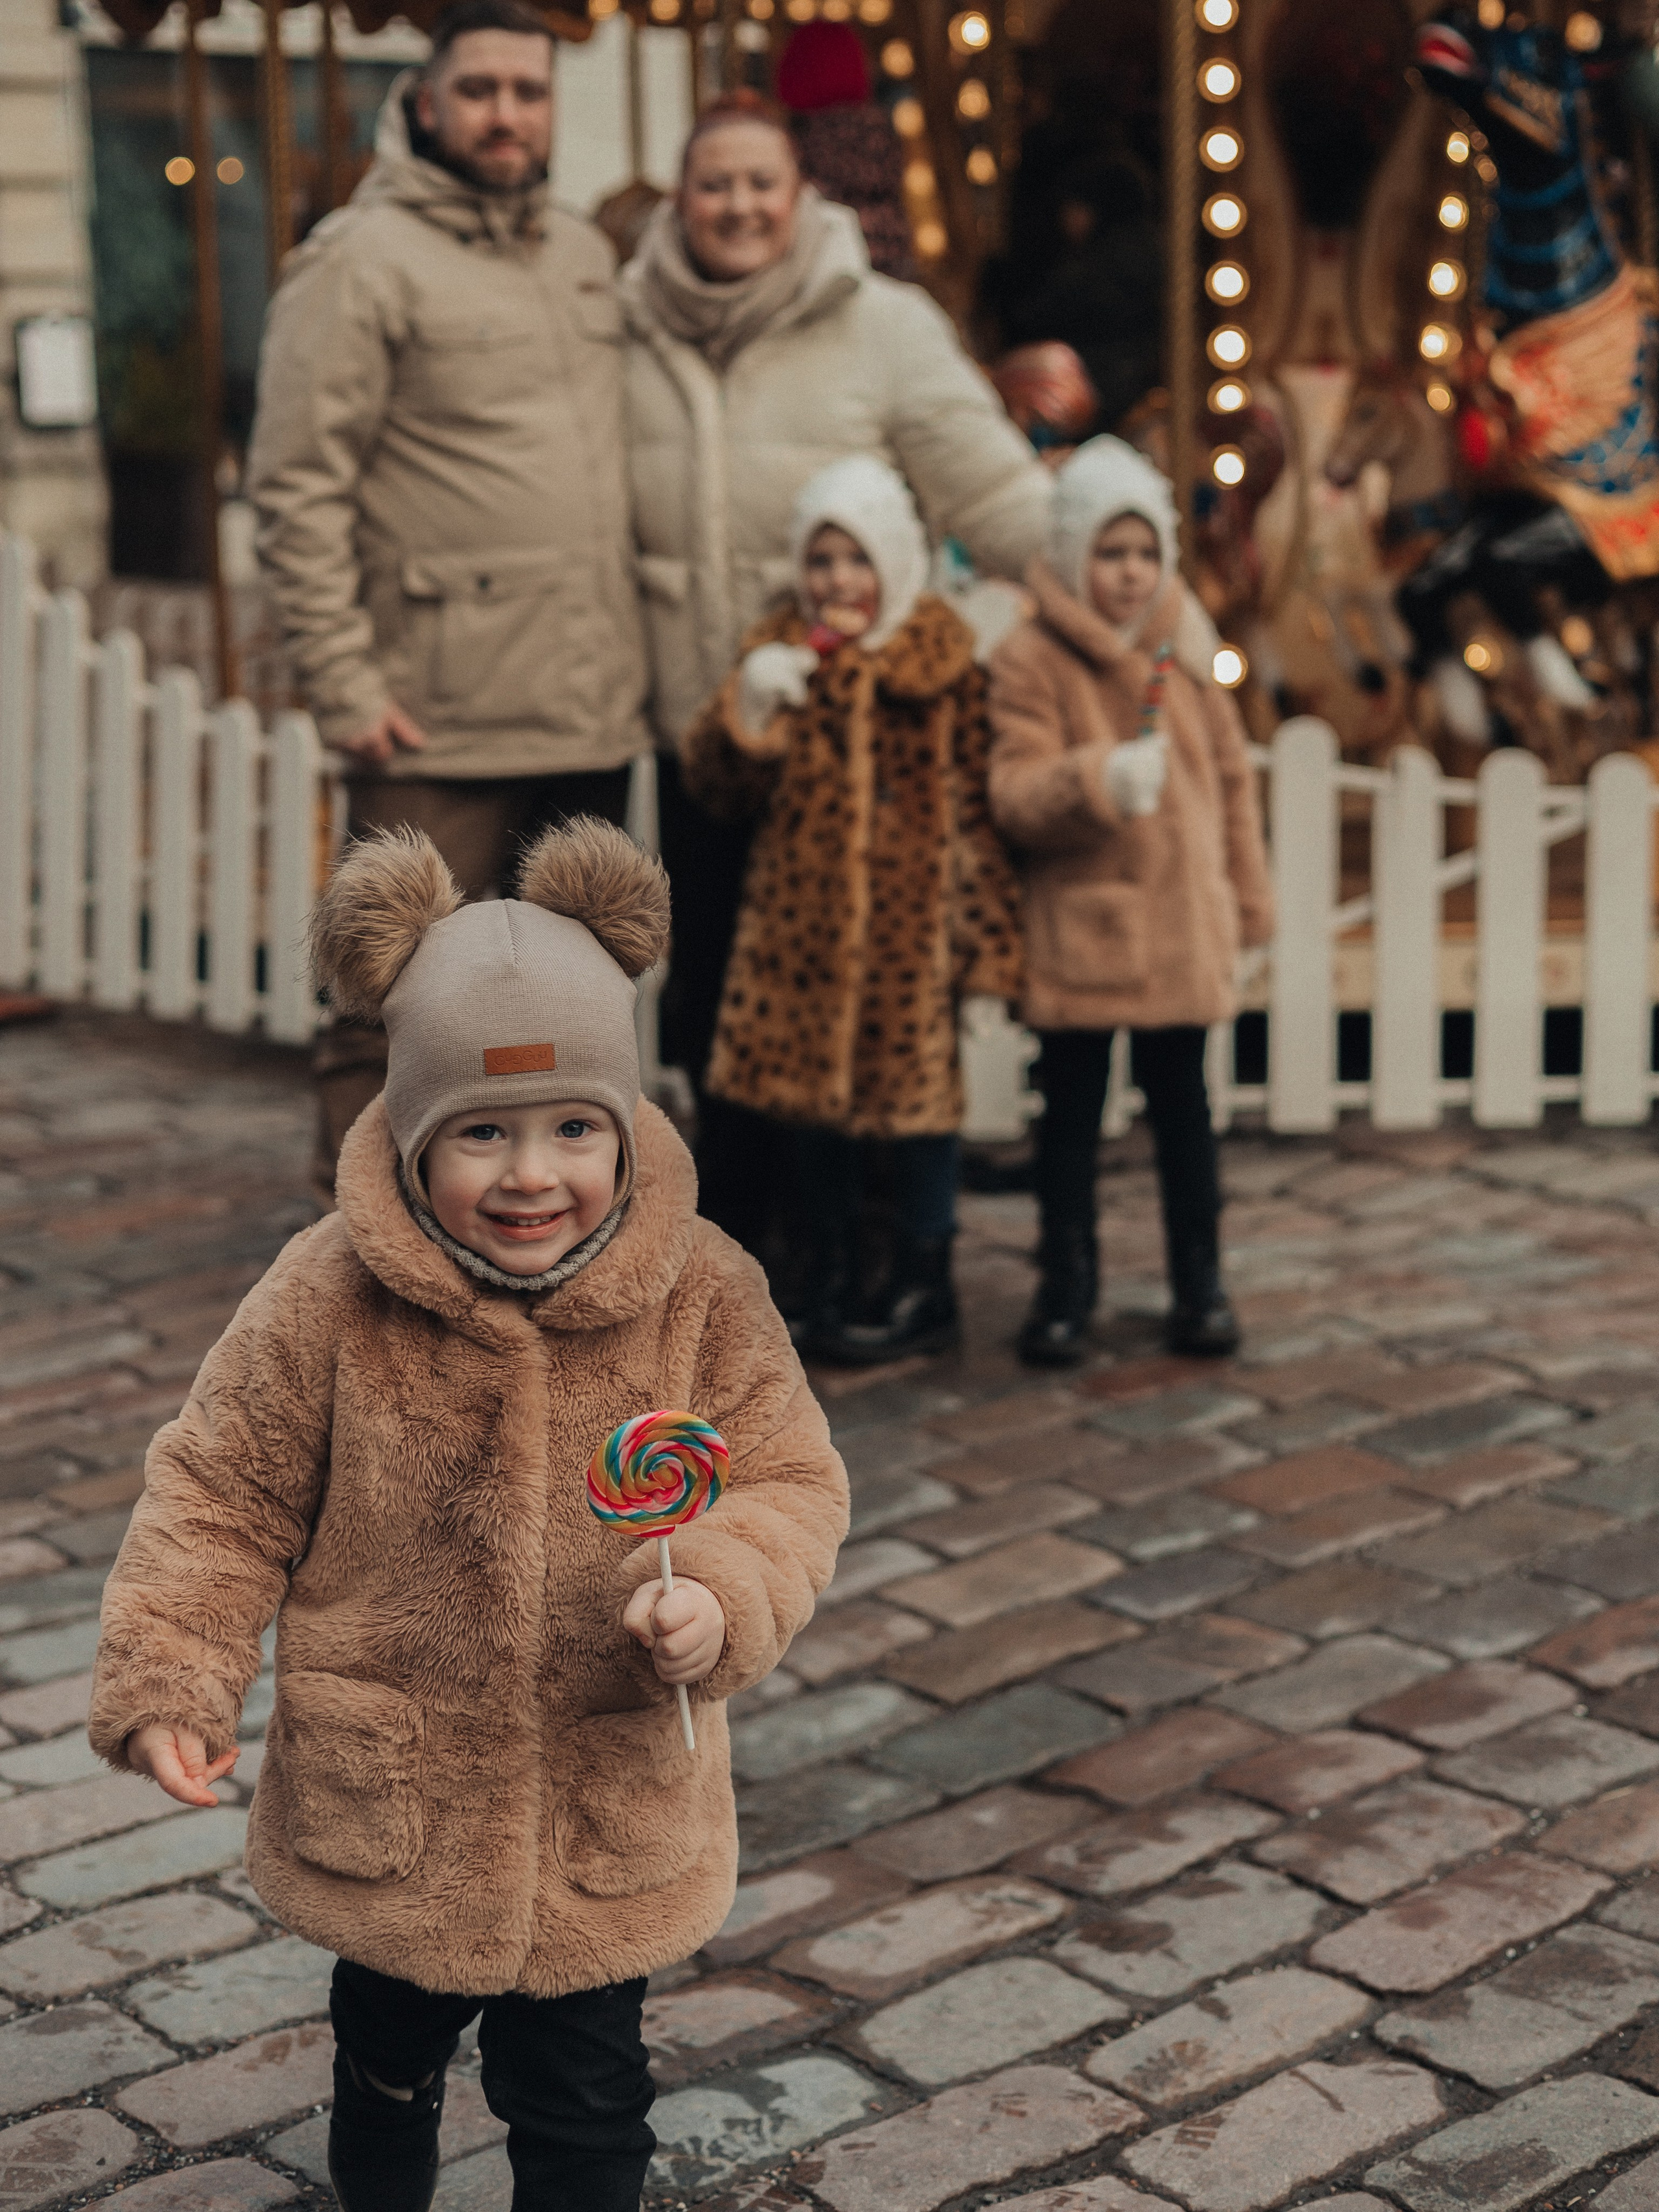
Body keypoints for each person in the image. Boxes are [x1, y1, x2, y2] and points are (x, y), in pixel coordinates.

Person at [86, 818, 846, 2212]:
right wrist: (174, 1676)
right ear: (410, 1133)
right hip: (398, 1812)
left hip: (602, 1804)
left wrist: (722, 1587)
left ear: (623, 1123)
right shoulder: (325, 1298)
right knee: (386, 2047)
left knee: (588, 2108)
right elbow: (221, 1491)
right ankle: (383, 2121)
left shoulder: (702, 1291)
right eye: (480, 1135)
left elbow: (788, 1481)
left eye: (572, 1128)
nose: (529, 1175)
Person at [621, 90, 1050, 1242]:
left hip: (852, 733)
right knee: (716, 985)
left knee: (855, 979)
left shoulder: (883, 323)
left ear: (801, 193)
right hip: (707, 731)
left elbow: (992, 490)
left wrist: (1057, 600)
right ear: (682, 192)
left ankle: (865, 1232)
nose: (739, 206)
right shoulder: (627, 321)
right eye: (716, 183)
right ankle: (747, 1234)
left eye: (763, 182)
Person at [246, 0, 647, 1192]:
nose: (507, 114)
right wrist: (345, 680)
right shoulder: (357, 260)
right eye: (480, 91)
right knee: (391, 1001)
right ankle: (362, 1273)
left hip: (586, 708)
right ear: (426, 102)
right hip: (435, 716)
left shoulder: (581, 253)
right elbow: (294, 484)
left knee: (569, 1013)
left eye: (528, 92)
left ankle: (546, 1246)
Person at [682, 456, 1021, 1362]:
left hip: (910, 950)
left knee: (918, 1125)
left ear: (898, 564)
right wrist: (751, 716)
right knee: (814, 1122)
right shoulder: (781, 655)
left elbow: (978, 822)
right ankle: (825, 1269)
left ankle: (924, 1280)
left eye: (858, 561)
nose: (839, 583)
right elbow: (718, 790)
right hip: (801, 946)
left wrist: (988, 961)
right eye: (823, 563)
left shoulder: (943, 670)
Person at [988, 437, 1273, 1367]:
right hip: (1086, 928)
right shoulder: (1031, 658)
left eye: (1146, 553)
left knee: (1185, 1115)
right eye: (1111, 554)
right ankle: (1066, 1280)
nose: (1130, 573)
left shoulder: (1183, 648)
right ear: (1075, 555)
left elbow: (1232, 781)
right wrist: (1100, 777)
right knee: (1069, 1120)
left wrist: (1248, 892)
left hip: (1181, 926)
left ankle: (1202, 1279)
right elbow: (1015, 791)